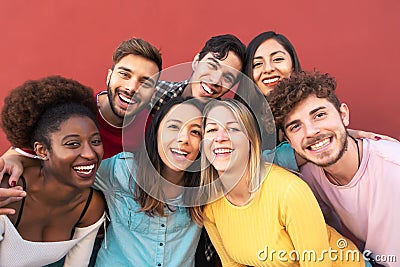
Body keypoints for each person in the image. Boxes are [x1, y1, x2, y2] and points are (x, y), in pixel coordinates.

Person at [201, 98, 365, 267]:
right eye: (212, 130)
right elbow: (232, 264)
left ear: (251, 141)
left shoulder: (289, 191)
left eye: (233, 129)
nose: (220, 138)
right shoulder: (210, 203)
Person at [268, 71, 400, 266]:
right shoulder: (307, 178)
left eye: (319, 115)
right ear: (290, 143)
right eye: (296, 127)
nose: (311, 132)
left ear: (343, 115)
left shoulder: (393, 164)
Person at [236, 31, 397, 170]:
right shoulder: (240, 117)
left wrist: (341, 134)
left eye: (277, 59)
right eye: (257, 64)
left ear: (292, 65)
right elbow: (252, 164)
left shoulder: (310, 103)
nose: (268, 68)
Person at [0, 76, 106, 267]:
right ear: (42, 151)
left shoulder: (90, 207)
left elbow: (77, 264)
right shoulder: (8, 193)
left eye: (95, 141)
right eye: (73, 144)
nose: (90, 154)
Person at [93, 97, 204, 266]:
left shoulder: (205, 186)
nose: (184, 138)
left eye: (195, 132)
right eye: (173, 127)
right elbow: (72, 174)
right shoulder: (123, 170)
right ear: (156, 130)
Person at [152, 34, 246, 114]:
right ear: (196, 62)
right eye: (212, 65)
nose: (215, 80)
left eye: (228, 77)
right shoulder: (154, 92)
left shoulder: (220, 123)